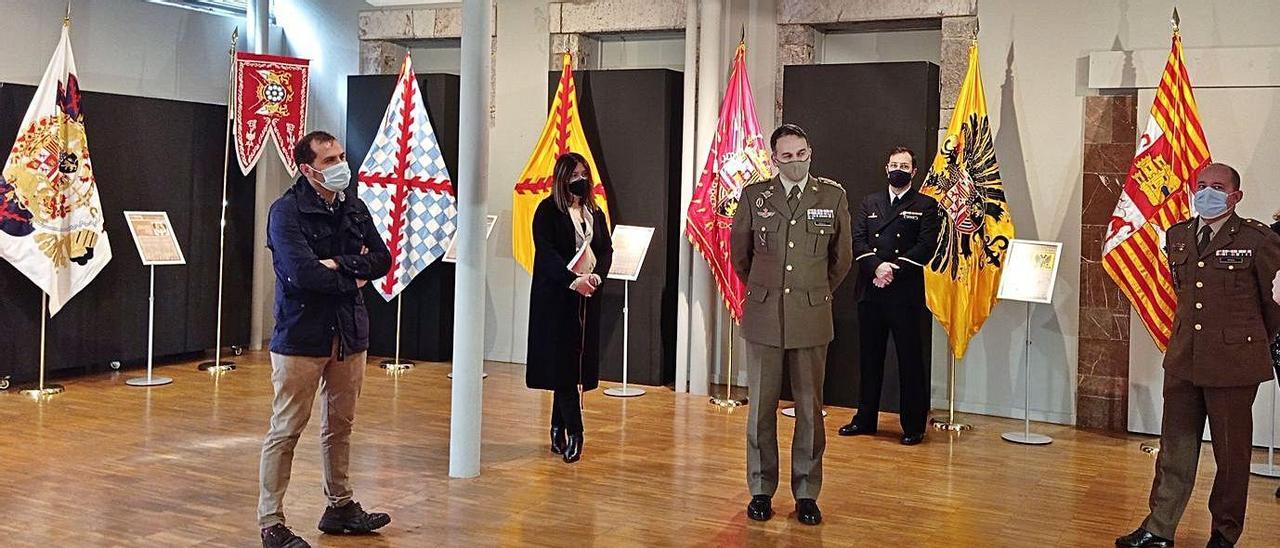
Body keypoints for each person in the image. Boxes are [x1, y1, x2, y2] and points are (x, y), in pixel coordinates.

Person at [1117, 163, 1280, 548]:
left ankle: (1224, 535)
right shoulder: (1178, 235)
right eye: (1202, 185)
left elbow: (1272, 304)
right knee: (1175, 448)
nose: (1208, 192)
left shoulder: (1258, 239)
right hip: (1185, 359)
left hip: (1233, 365)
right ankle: (1159, 528)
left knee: (1231, 456)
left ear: (1235, 196)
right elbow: (1184, 293)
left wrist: (1243, 341)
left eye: (1218, 187)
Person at [258, 131, 393, 548]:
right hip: (301, 336)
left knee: (340, 426)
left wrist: (338, 263)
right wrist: (353, 275)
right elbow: (302, 273)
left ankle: (340, 507)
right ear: (307, 168)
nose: (339, 166)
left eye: (340, 157)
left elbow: (383, 258)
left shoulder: (353, 206)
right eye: (329, 160)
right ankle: (271, 522)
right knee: (287, 428)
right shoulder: (286, 212)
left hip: (349, 334)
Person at [729, 123, 853, 526]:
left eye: (802, 154)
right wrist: (767, 289)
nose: (796, 162)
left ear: (810, 151)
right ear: (774, 158)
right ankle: (761, 489)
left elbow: (841, 260)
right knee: (761, 408)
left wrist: (811, 291)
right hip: (764, 316)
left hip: (812, 315)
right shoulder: (755, 197)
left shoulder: (832, 196)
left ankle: (806, 492)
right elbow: (740, 255)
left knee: (810, 410)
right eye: (787, 156)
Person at [838, 146, 941, 446]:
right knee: (869, 359)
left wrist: (893, 269)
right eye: (894, 164)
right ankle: (865, 418)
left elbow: (926, 245)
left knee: (910, 361)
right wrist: (877, 267)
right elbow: (857, 240)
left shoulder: (925, 205)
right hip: (871, 291)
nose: (899, 169)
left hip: (904, 293)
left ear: (914, 171)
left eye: (905, 165)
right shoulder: (870, 202)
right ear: (886, 168)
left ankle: (912, 425)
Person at [525, 152, 614, 464]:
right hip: (557, 297)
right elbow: (546, 253)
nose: (581, 179)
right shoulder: (547, 211)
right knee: (561, 365)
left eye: (584, 173)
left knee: (572, 367)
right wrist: (571, 280)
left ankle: (556, 427)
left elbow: (605, 249)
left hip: (587, 297)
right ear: (562, 178)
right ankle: (576, 432)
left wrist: (596, 276)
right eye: (574, 174)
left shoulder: (594, 212)